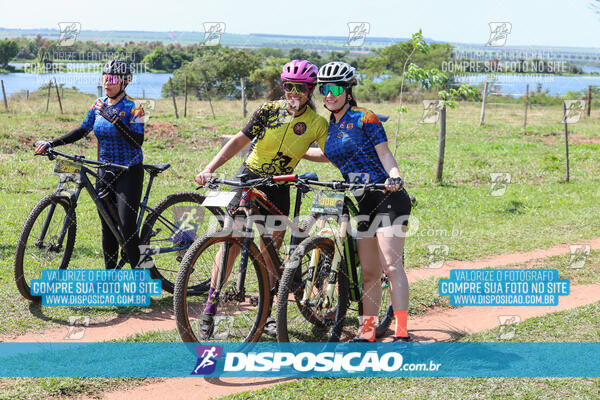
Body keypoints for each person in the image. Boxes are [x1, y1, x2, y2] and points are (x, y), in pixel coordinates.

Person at [194, 59, 328, 337]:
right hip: (249, 178)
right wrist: (210, 168)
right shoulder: (268, 110)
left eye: (300, 88)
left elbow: (327, 154)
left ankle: (268, 312)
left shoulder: (316, 123)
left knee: (270, 254)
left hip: (279, 185)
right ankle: (210, 306)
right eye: (289, 86)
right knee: (230, 240)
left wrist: (300, 153)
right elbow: (238, 141)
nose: (294, 93)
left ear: (311, 90)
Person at [306, 61, 412, 342]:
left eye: (335, 88)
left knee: (391, 265)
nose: (328, 94)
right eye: (323, 89)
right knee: (368, 272)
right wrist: (300, 154)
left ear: (348, 90)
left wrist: (395, 176)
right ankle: (368, 332)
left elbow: (385, 153)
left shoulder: (366, 118)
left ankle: (402, 332)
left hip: (388, 197)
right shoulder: (329, 126)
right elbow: (328, 155)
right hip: (362, 203)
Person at [34, 59, 146, 270]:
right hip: (104, 171)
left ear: (125, 82)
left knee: (126, 224)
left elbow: (137, 141)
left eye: (112, 79)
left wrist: (116, 120)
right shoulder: (98, 104)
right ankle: (110, 277)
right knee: (108, 227)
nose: (107, 83)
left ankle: (141, 279)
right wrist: (51, 142)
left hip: (129, 171)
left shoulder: (136, 107)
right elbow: (82, 130)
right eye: (105, 78)